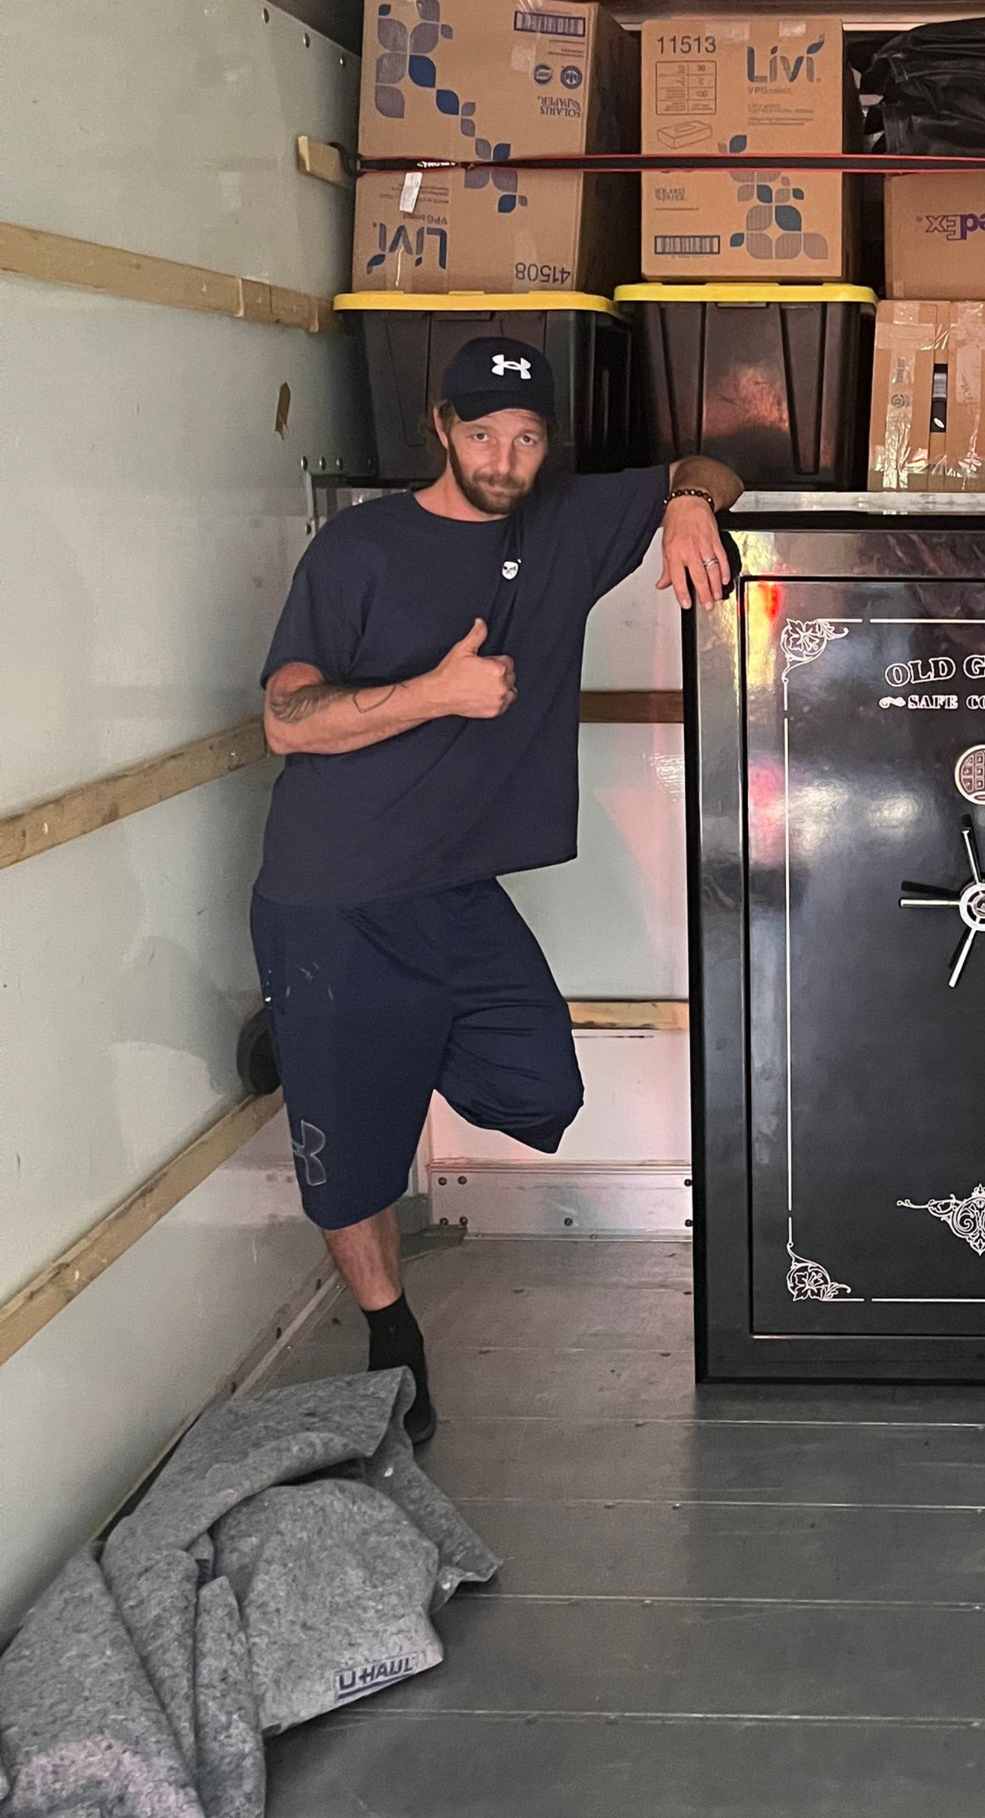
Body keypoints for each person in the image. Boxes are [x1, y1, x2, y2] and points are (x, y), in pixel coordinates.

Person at [251, 337, 741, 1445]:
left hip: (454, 892)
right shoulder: (359, 546)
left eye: (525, 436)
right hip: (333, 893)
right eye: (482, 433)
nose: (503, 455)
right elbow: (286, 719)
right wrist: (435, 692)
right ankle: (389, 1330)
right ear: (440, 427)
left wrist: (691, 507)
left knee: (539, 1088)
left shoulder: (563, 523)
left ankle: (339, 1051)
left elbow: (711, 461)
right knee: (355, 1158)